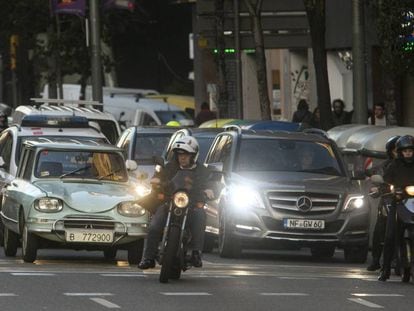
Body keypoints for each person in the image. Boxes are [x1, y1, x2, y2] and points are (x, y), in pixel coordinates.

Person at [138, 135, 214, 270]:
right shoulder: (169, 167)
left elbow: (209, 182)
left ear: (193, 155)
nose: (182, 157)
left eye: (186, 154)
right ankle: (148, 257)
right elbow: (159, 176)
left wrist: (209, 190)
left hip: (191, 204)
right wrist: (156, 180)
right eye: (180, 154)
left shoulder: (202, 170)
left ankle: (196, 253)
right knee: (155, 224)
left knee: (200, 214)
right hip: (170, 201)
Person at [378, 135, 414, 281]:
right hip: (398, 203)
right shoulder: (394, 165)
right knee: (391, 235)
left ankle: (408, 269)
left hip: (413, 204)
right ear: (400, 152)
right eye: (405, 151)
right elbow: (385, 183)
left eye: (410, 151)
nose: (408, 153)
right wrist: (388, 188)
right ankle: (385, 268)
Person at [366, 135, 400, 271]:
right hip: (390, 199)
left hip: (409, 202)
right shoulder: (387, 165)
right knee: (380, 227)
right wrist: (379, 188)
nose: (402, 153)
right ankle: (376, 259)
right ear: (391, 152)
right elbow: (378, 175)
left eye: (408, 150)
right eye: (397, 150)